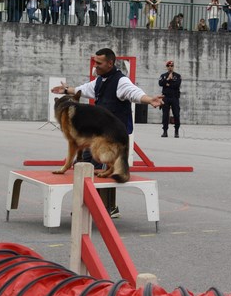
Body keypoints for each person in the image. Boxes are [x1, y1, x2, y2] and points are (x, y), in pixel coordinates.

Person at [50, 48, 164, 218]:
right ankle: (103, 206)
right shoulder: (100, 80)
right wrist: (67, 90)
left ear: (110, 63)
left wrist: (149, 100)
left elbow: (134, 93)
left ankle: (98, 207)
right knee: (93, 166)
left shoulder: (121, 81)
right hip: (97, 134)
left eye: (99, 63)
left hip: (112, 134)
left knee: (99, 168)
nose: (95, 66)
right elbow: (84, 88)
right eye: (95, 62)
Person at [159, 60, 182, 138]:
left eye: (172, 66)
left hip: (174, 97)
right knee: (165, 115)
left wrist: (167, 84)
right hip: (166, 97)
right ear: (167, 67)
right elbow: (160, 83)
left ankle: (176, 131)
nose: (170, 67)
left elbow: (177, 85)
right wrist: (168, 79)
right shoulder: (163, 75)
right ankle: (165, 131)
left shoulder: (177, 76)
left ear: (173, 67)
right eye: (169, 66)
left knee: (176, 114)